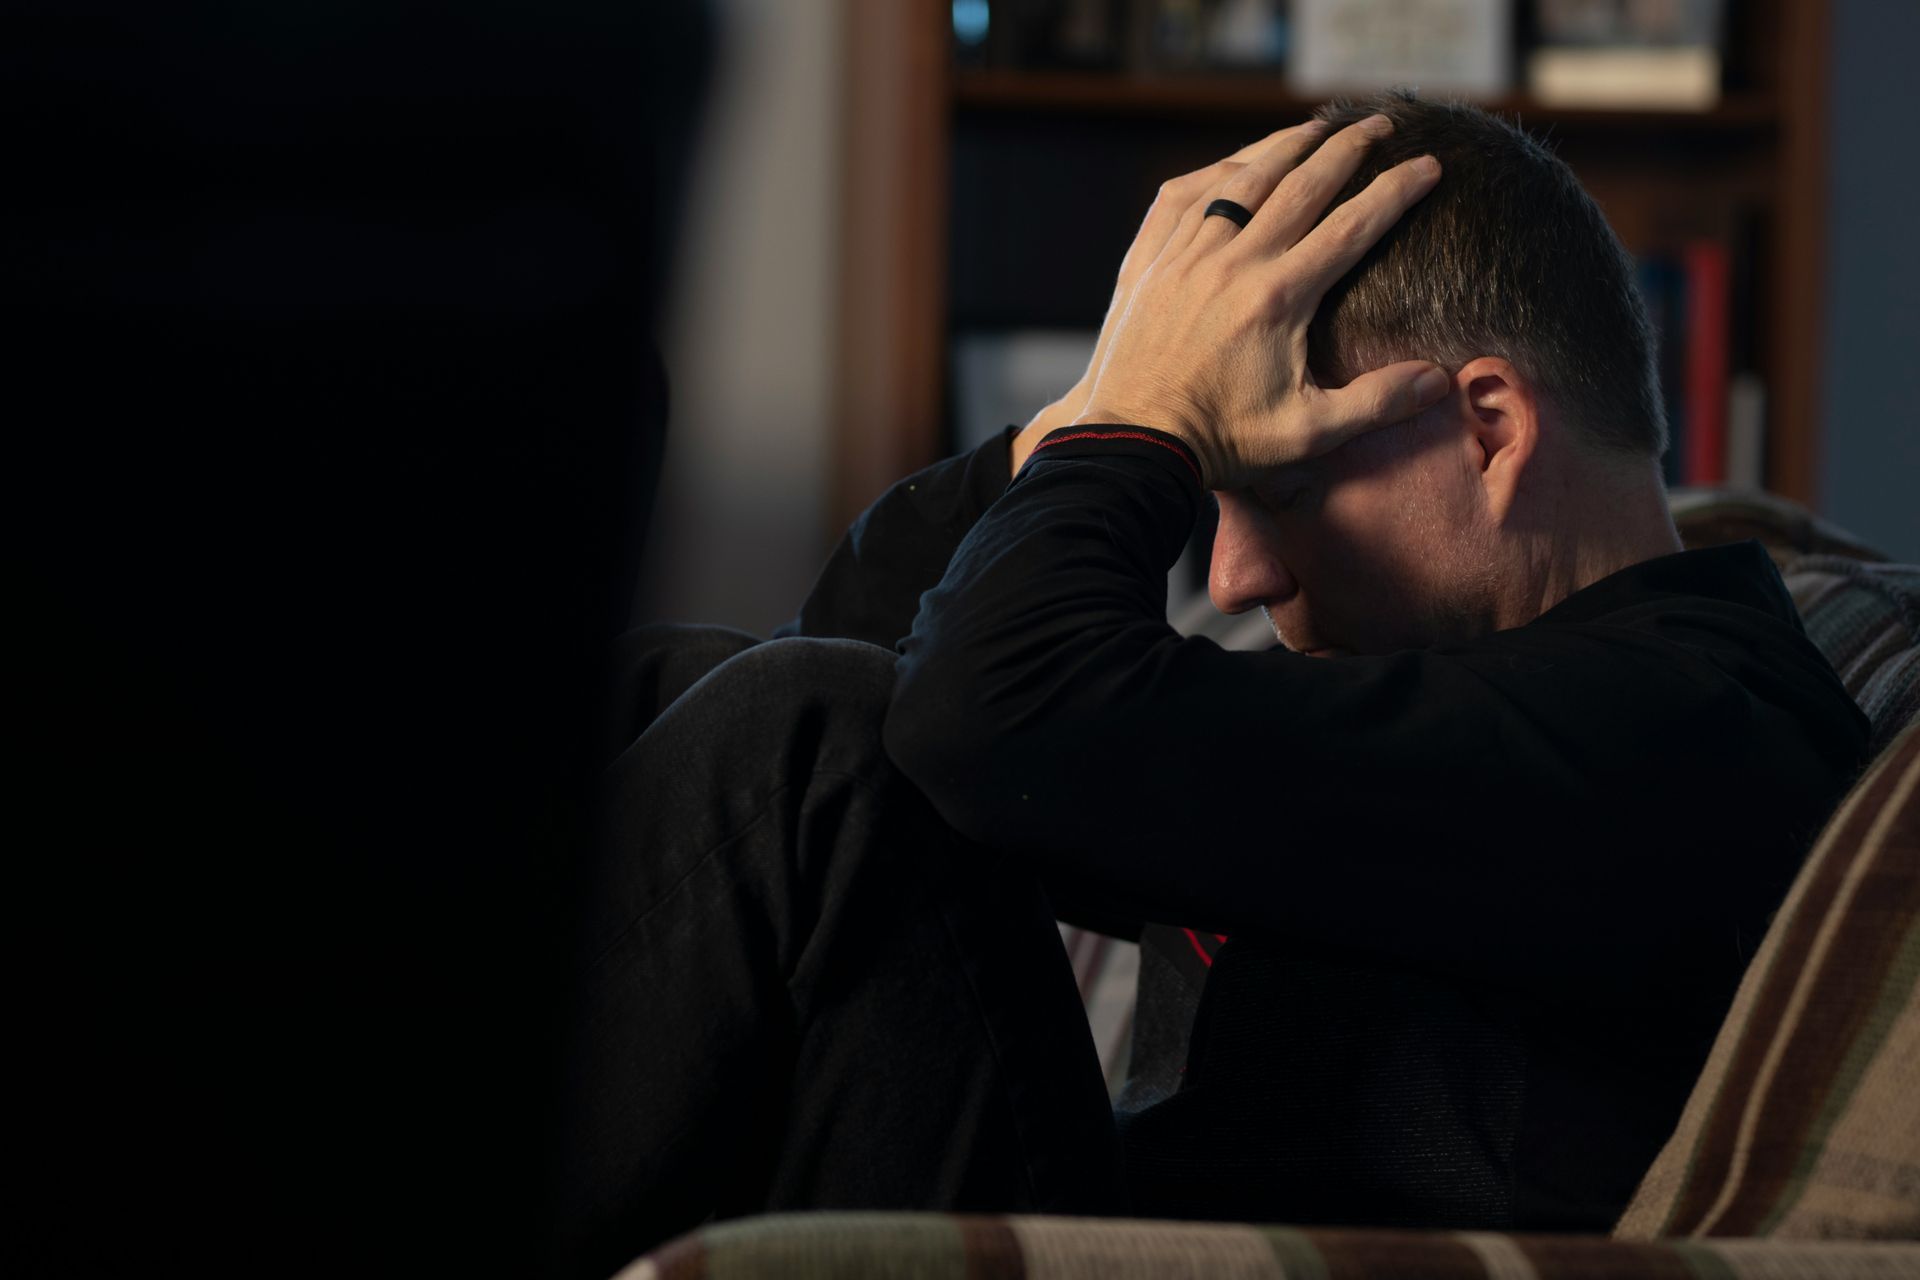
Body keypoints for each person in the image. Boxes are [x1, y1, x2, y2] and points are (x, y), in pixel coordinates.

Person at [550, 93, 1868, 1276]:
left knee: (803, 749)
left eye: (1274, 491)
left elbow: (968, 712)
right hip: (1102, 1218)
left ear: (1489, 433)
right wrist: (1104, 404)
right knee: (672, 687)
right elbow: (868, 655)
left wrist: (1153, 427)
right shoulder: (1474, 689)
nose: (1231, 578)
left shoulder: (1674, 734)